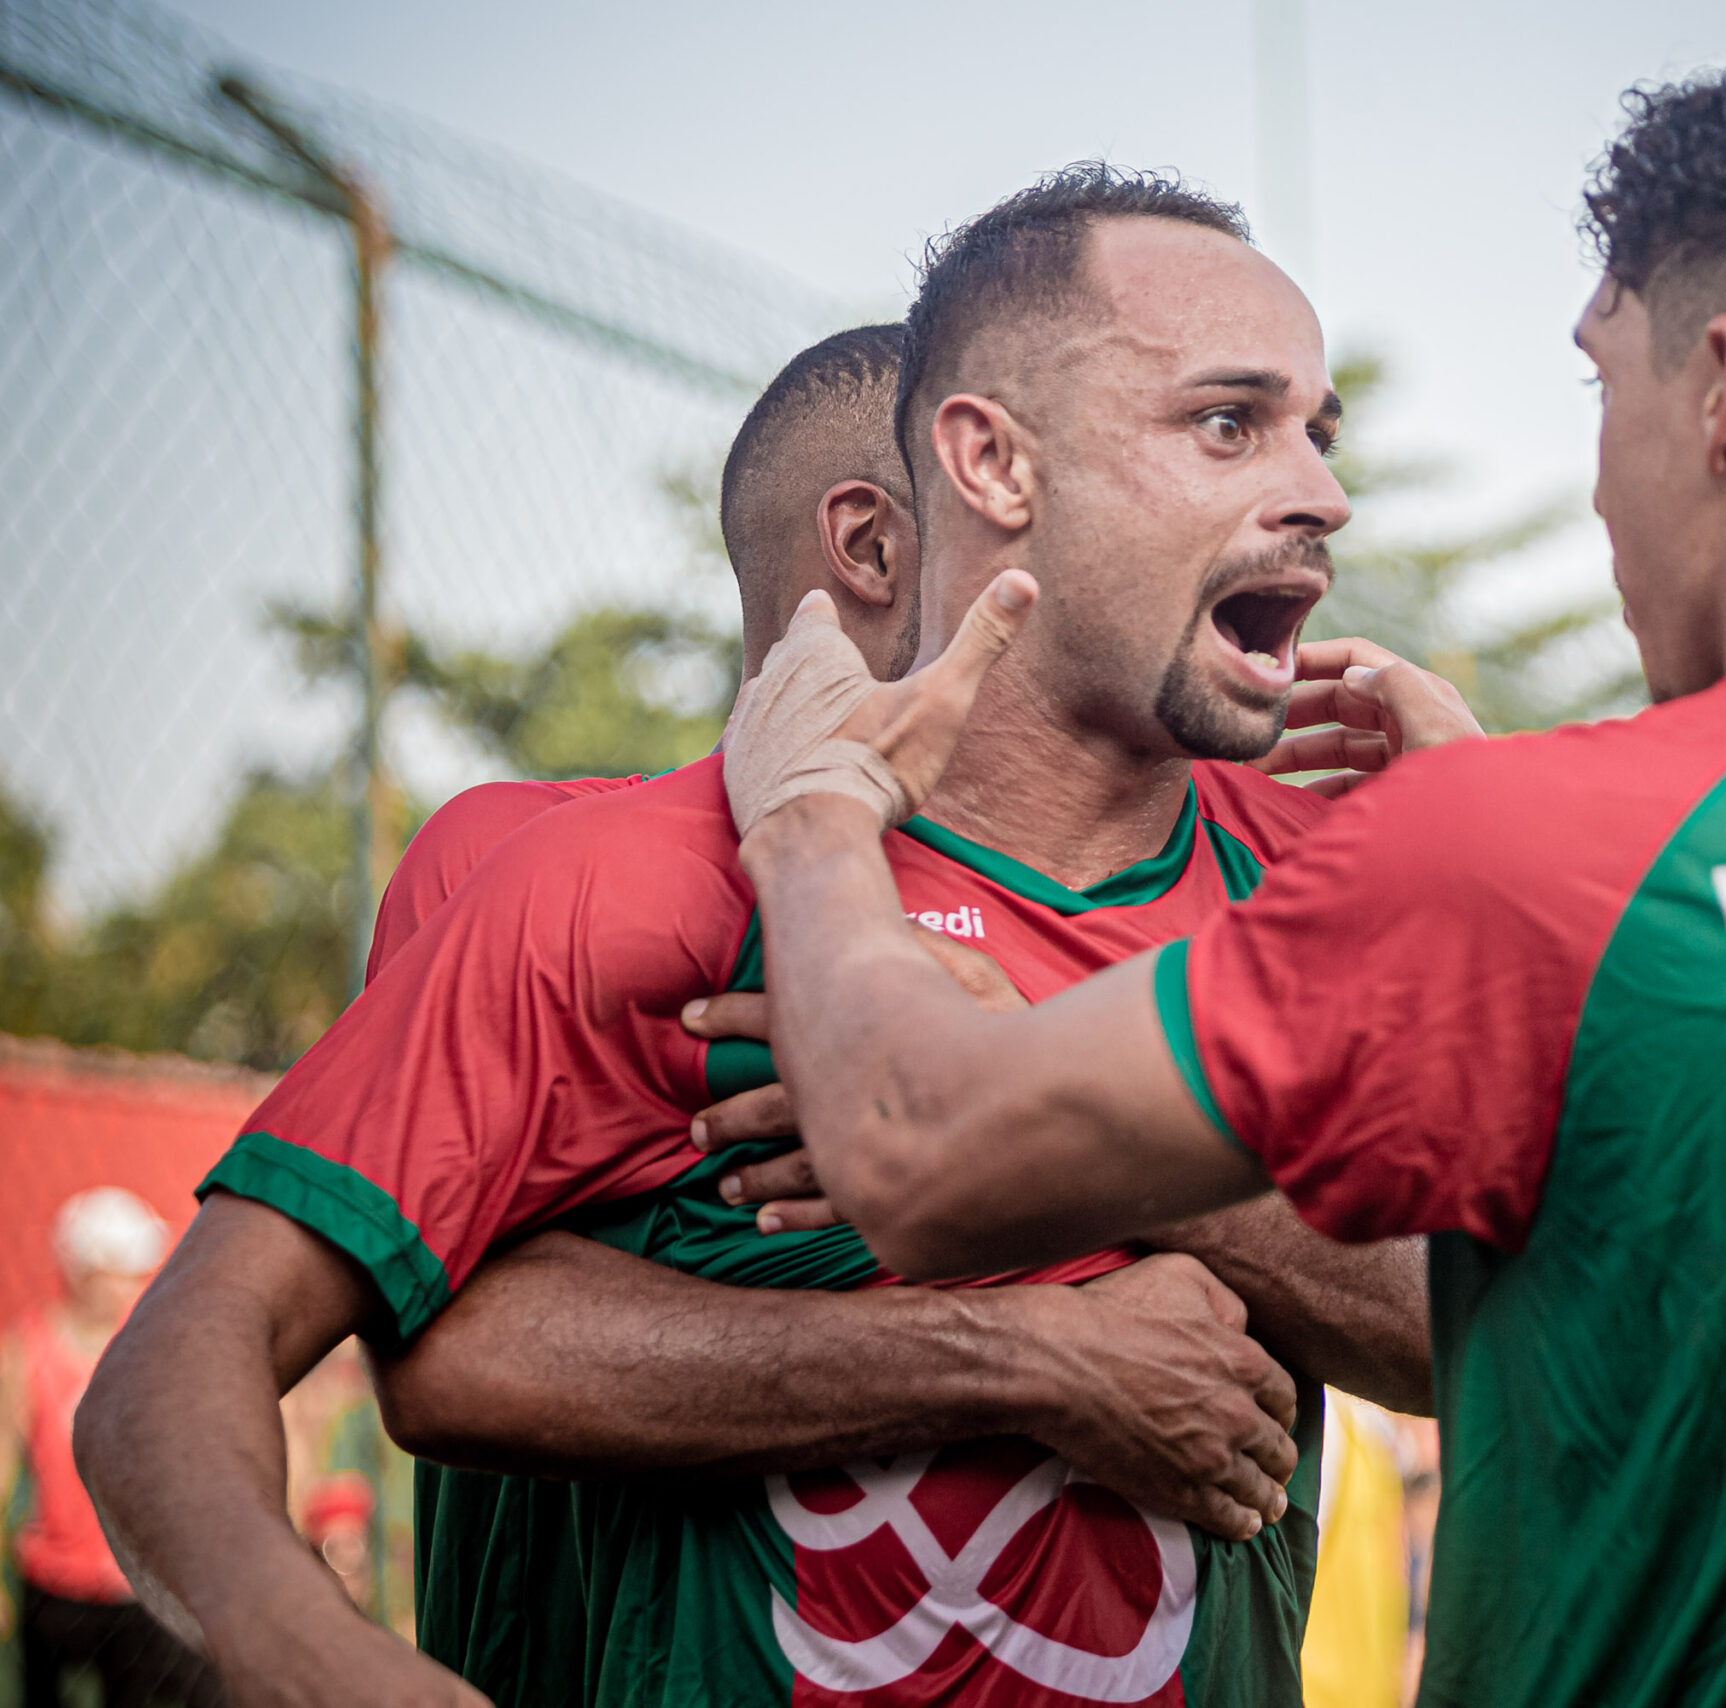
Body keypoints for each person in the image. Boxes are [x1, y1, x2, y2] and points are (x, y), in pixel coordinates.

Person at [719, 39, 1726, 1708]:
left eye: (1603, 384)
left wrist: (815, 818)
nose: (1598, 464)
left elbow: (909, 1145)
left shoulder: (1560, 848)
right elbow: (1707, 1245)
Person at [81, 213, 1457, 1708]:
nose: (1320, 495)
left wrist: (1050, 1103)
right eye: (1227, 425)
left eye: (1315, 436)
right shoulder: (617, 878)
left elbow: (1495, 1343)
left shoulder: (1337, 881)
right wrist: (320, 1664)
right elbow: (296, 1357)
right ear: (984, 470)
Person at [1, 1189, 220, 1708]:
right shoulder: (26, 1354)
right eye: (124, 1270)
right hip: (54, 1584)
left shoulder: (151, 1347)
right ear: (85, 1271)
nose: (137, 1284)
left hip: (134, 1584)